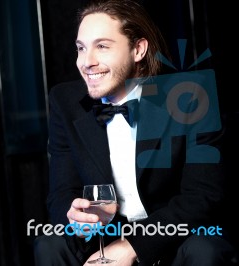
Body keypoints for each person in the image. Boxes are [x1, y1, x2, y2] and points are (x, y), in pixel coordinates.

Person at [34, 0, 238, 265]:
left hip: (172, 236)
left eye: (102, 47)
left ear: (138, 49)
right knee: (50, 243)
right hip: (105, 236)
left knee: (205, 249)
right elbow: (62, 193)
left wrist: (133, 247)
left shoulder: (191, 97)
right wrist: (74, 216)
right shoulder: (65, 101)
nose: (87, 62)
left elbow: (203, 198)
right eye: (81, 48)